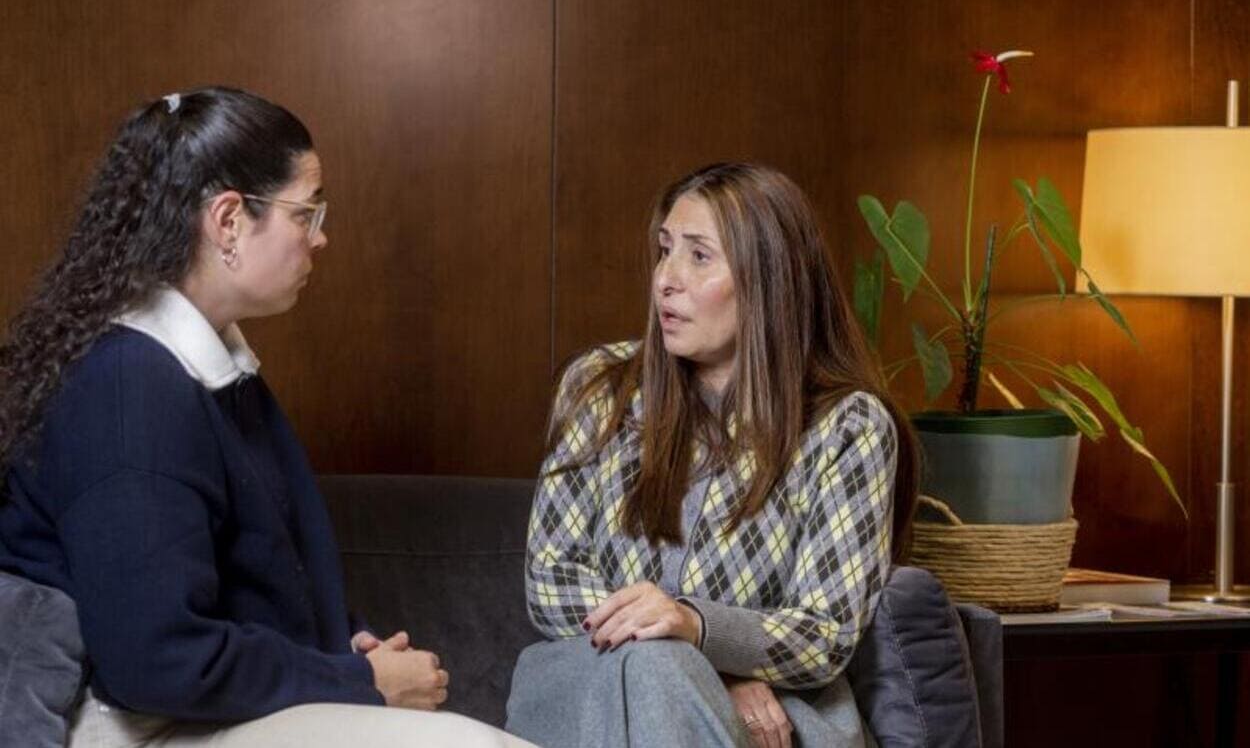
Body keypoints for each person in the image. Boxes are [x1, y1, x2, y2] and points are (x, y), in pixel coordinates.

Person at [0, 87, 531, 748]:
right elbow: (155, 662)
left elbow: (253, 588)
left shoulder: (208, 370)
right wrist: (359, 681)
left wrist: (350, 651)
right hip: (137, 730)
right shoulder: (129, 390)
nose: (321, 237)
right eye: (306, 213)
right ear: (228, 221)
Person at [506, 162, 918, 748]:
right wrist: (703, 666)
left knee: (663, 673)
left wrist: (699, 628)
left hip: (775, 720)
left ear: (768, 279)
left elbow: (824, 634)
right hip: (592, 686)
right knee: (655, 670)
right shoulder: (599, 387)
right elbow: (552, 581)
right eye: (665, 250)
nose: (665, 279)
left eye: (699, 256)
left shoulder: (847, 427)